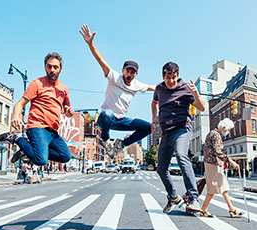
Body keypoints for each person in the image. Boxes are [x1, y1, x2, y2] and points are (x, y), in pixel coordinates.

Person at [80, 24, 155, 158]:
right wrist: (90, 44)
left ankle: (121, 144)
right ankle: (106, 140)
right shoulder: (114, 77)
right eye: (127, 71)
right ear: (123, 71)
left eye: (132, 73)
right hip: (106, 119)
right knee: (107, 114)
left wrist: (176, 87)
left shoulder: (137, 84)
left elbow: (154, 87)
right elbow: (101, 61)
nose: (129, 75)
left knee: (149, 127)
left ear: (136, 74)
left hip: (121, 121)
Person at [0, 52, 75, 166]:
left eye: (55, 67)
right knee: (41, 160)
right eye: (49, 66)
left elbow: (67, 111)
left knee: (65, 156)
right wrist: (15, 117)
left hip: (52, 132)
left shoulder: (64, 89)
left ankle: (28, 149)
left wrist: (69, 113)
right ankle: (16, 138)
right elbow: (19, 104)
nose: (52, 70)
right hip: (37, 127)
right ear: (45, 67)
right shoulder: (37, 83)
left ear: (61, 69)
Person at [151, 62, 205, 214]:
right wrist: (153, 119)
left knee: (181, 155)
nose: (171, 81)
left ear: (178, 76)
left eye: (174, 77)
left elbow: (201, 107)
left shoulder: (186, 89)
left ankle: (194, 198)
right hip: (165, 133)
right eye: (168, 78)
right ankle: (173, 196)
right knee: (161, 169)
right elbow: (154, 102)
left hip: (181, 130)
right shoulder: (159, 89)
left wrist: (196, 94)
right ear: (163, 77)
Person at [201, 118, 244, 218]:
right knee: (213, 188)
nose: (228, 132)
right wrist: (231, 162)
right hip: (213, 164)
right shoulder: (216, 135)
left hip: (213, 163)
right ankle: (203, 210)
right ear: (224, 127)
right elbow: (218, 152)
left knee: (223, 187)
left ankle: (232, 210)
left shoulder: (212, 133)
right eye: (228, 130)